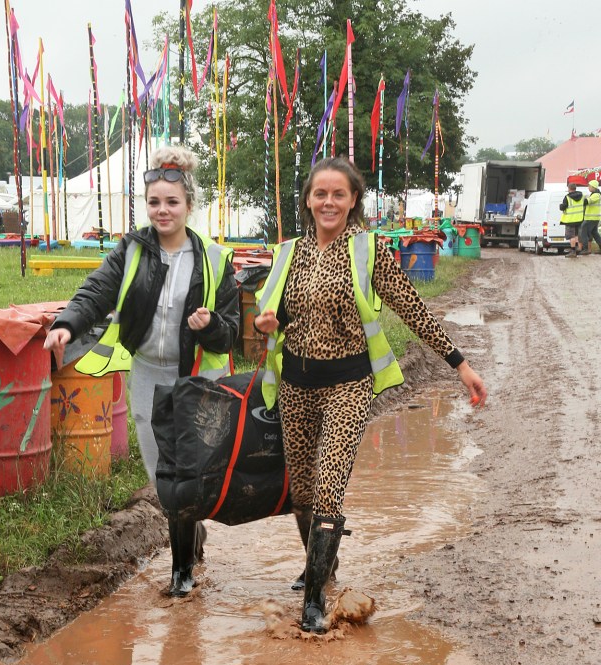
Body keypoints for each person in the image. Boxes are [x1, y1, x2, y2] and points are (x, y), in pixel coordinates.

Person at [254, 156, 487, 634]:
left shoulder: (370, 250)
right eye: (321, 193)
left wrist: (460, 365)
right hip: (296, 384)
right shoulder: (287, 252)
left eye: (339, 194)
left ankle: (316, 602)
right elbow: (267, 317)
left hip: (348, 384)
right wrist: (265, 323)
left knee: (327, 487)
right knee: (300, 492)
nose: (329, 202)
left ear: (354, 199)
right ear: (308, 200)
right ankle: (322, 568)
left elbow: (413, 309)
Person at [43, 145, 240, 597]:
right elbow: (95, 292)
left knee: (188, 475)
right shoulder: (131, 249)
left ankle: (181, 575)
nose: (162, 210)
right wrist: (66, 325)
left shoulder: (214, 258)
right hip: (148, 375)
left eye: (172, 202)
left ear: (190, 205)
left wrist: (210, 326)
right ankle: (191, 539)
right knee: (160, 476)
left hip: (197, 381)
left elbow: (230, 334)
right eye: (154, 202)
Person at [559, 180, 585, 257]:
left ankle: (573, 251)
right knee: (576, 235)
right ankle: (577, 249)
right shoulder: (582, 196)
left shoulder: (567, 197)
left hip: (570, 220)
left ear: (569, 188)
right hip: (579, 219)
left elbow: (563, 207)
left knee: (571, 236)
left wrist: (561, 206)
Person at [580, 179, 601, 255]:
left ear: (593, 187)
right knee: (595, 233)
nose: (588, 187)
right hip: (593, 218)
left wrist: (580, 199)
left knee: (583, 231)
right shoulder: (594, 194)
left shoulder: (596, 195)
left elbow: (587, 201)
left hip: (591, 218)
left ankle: (585, 249)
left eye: (589, 186)